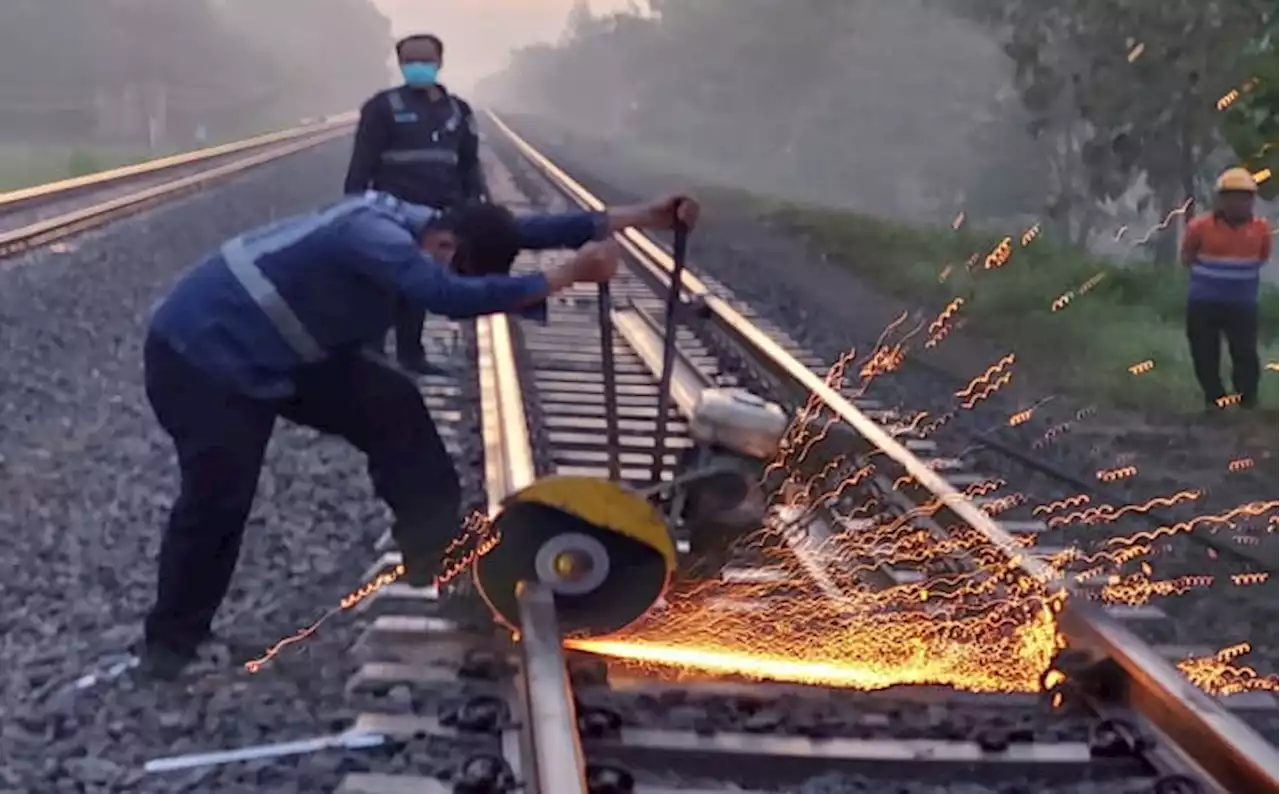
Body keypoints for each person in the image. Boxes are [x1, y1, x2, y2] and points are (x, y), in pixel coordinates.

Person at [140, 189, 700, 679]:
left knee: (395, 409)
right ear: (444, 246)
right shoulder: (373, 236)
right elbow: (447, 298)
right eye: (457, 268)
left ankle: (444, 565)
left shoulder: (434, 226)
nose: (448, 275)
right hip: (203, 355)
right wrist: (564, 276)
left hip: (286, 351)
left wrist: (634, 217)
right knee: (219, 498)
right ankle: (171, 646)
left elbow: (518, 230)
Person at [345, 33, 485, 376]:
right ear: (401, 63)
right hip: (390, 213)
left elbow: (469, 162)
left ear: (439, 62)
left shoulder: (458, 111)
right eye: (411, 61)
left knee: (420, 285)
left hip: (441, 214)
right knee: (382, 283)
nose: (418, 67)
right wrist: (352, 206)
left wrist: (474, 202)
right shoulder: (382, 107)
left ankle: (411, 354)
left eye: (425, 60)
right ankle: (372, 354)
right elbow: (362, 162)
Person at [1180, 167, 1273, 410]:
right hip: (1204, 303)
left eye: (1245, 198)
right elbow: (1187, 256)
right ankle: (1215, 399)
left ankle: (1247, 402)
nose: (1240, 203)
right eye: (1233, 197)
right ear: (1221, 200)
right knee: (1204, 354)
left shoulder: (1261, 229)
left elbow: (1262, 258)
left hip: (1242, 305)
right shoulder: (1199, 227)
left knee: (1245, 354)